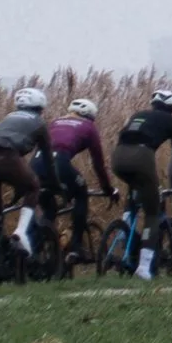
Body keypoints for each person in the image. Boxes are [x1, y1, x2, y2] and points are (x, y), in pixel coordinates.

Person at [111, 88, 172, 279]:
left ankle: (126, 222)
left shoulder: (138, 115)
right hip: (142, 157)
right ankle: (144, 268)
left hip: (118, 157)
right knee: (152, 213)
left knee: (136, 185)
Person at [0, 87, 52, 257]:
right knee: (33, 187)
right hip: (7, 156)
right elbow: (48, 158)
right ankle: (21, 232)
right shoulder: (39, 123)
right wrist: (55, 182)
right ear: (40, 108)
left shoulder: (8, 117)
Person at [43, 96, 119, 258]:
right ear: (91, 116)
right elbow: (98, 163)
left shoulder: (55, 122)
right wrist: (107, 188)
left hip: (37, 164)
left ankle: (39, 246)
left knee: (48, 205)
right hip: (60, 162)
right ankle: (76, 246)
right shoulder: (88, 127)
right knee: (81, 192)